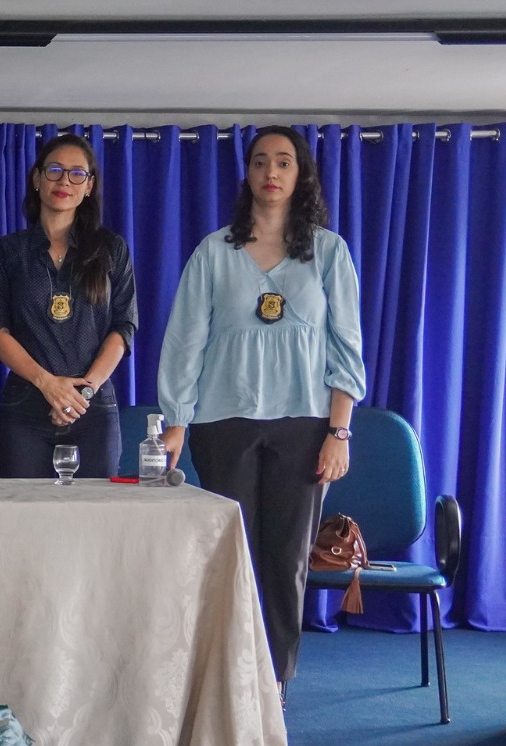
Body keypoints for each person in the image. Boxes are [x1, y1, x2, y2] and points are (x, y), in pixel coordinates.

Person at [158, 125, 367, 695]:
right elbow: (184, 342)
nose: (270, 173)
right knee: (232, 557)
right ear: (247, 174)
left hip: (304, 427)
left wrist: (339, 432)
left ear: (300, 176)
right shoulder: (213, 252)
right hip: (223, 424)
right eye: (259, 162)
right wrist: (176, 420)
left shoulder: (328, 252)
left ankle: (272, 684)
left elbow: (346, 347)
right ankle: (228, 681)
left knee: (285, 559)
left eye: (283, 163)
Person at [0, 133, 138, 478]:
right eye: (54, 170)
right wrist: (48, 384)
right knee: (22, 521)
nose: (65, 180)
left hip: (92, 408)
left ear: (89, 185)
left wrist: (83, 390)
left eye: (77, 173)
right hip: (25, 409)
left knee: (95, 521)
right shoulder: (5, 253)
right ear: (36, 178)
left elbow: (124, 327)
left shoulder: (112, 248)